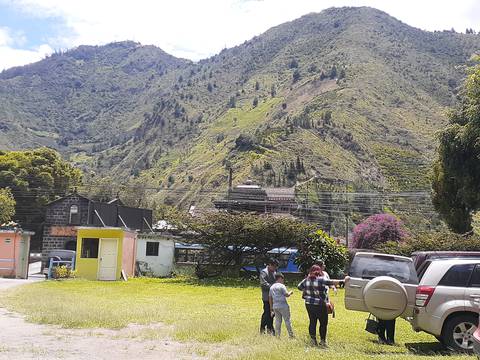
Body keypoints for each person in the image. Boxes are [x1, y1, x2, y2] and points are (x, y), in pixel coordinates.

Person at [298, 265, 344, 347]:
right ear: (319, 272)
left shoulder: (306, 280)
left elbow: (299, 287)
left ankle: (313, 341)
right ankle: (322, 341)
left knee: (312, 322)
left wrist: (308, 290)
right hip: (320, 305)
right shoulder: (321, 280)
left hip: (308, 304)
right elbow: (332, 282)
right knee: (323, 323)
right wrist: (344, 280)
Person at [269, 272, 294, 338]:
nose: (283, 280)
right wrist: (290, 292)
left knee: (277, 321)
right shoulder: (282, 286)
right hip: (283, 305)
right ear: (280, 278)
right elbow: (287, 295)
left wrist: (271, 308)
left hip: (275, 306)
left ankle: (277, 335)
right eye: (282, 278)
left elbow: (270, 298)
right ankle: (291, 335)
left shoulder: (271, 287)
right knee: (287, 320)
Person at [260, 258, 278, 334]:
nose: (275, 268)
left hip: (273, 296)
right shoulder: (264, 272)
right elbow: (263, 284)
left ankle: (270, 328)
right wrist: (273, 287)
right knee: (267, 312)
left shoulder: (274, 272)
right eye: (274, 266)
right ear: (269, 265)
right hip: (266, 297)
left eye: (276, 267)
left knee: (272, 312)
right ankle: (262, 328)